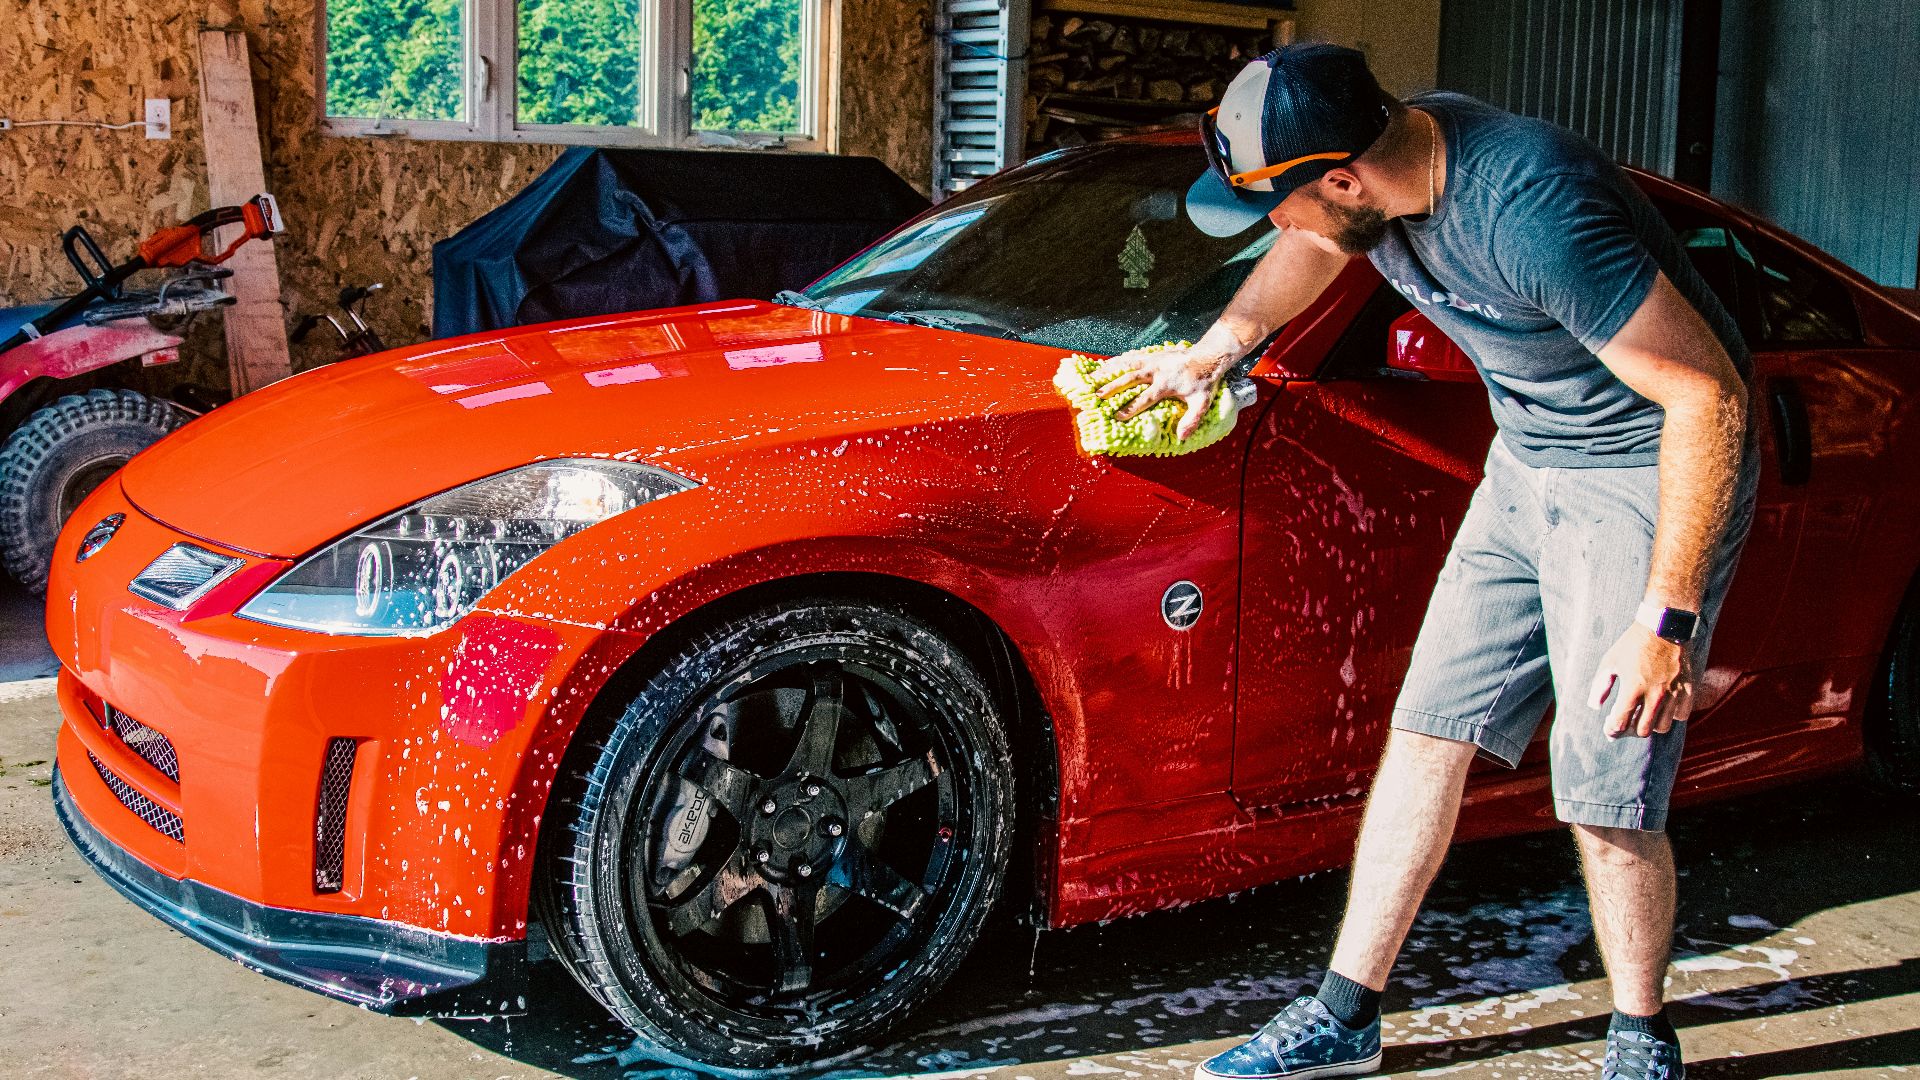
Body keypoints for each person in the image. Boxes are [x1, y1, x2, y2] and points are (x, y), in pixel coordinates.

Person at [1093, 42, 1757, 1080]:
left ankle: (1640, 1039)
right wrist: (1215, 349)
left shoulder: (1533, 208)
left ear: (1348, 177)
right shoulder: (1381, 179)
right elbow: (1316, 248)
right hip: (1527, 463)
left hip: (1638, 467)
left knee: (1603, 782)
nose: (1277, 225)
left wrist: (1665, 620)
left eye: (1284, 201)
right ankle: (1344, 1014)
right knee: (1428, 733)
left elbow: (1708, 398)